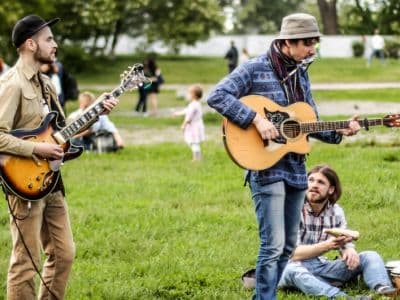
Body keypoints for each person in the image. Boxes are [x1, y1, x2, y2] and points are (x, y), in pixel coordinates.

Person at [207, 13, 360, 300]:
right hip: (264, 168)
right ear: (288, 43)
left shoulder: (301, 73)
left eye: (315, 42)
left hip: (294, 168)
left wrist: (341, 130)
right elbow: (217, 96)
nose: (313, 49)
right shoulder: (255, 68)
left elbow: (307, 124)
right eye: (307, 43)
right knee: (273, 244)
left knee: (289, 245)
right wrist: (255, 119)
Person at [0, 15, 118, 299]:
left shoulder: (47, 84)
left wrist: (95, 113)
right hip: (23, 183)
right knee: (26, 262)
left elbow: (62, 134)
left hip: (52, 181)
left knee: (64, 254)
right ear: (30, 44)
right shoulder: (12, 85)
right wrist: (36, 149)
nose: (55, 44)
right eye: (49, 39)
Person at [278, 165, 396, 299]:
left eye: (321, 182)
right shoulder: (292, 210)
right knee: (294, 271)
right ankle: (343, 297)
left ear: (331, 189)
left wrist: (348, 250)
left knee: (369, 256)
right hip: (288, 268)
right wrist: (327, 246)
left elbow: (344, 241)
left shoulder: (336, 212)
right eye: (310, 180)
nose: (314, 185)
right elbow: (292, 254)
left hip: (321, 266)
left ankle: (383, 289)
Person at [173, 84, 205, 161]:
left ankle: (196, 158)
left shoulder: (193, 105)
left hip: (193, 127)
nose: (187, 95)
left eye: (188, 93)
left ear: (193, 95)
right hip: (197, 125)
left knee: (193, 142)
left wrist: (183, 125)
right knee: (194, 142)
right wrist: (177, 113)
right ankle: (198, 157)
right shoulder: (195, 104)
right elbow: (186, 111)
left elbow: (189, 117)